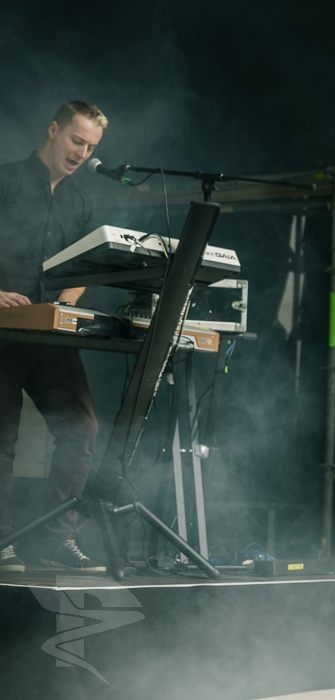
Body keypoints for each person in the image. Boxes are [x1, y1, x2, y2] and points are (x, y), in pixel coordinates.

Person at [0, 100, 109, 574]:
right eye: (76, 140)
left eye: (90, 147)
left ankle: (53, 538)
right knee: (1, 436)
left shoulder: (80, 201)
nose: (82, 153)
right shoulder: (5, 180)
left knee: (80, 428)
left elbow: (81, 268)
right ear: (53, 130)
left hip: (49, 334)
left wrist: (67, 302)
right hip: (2, 329)